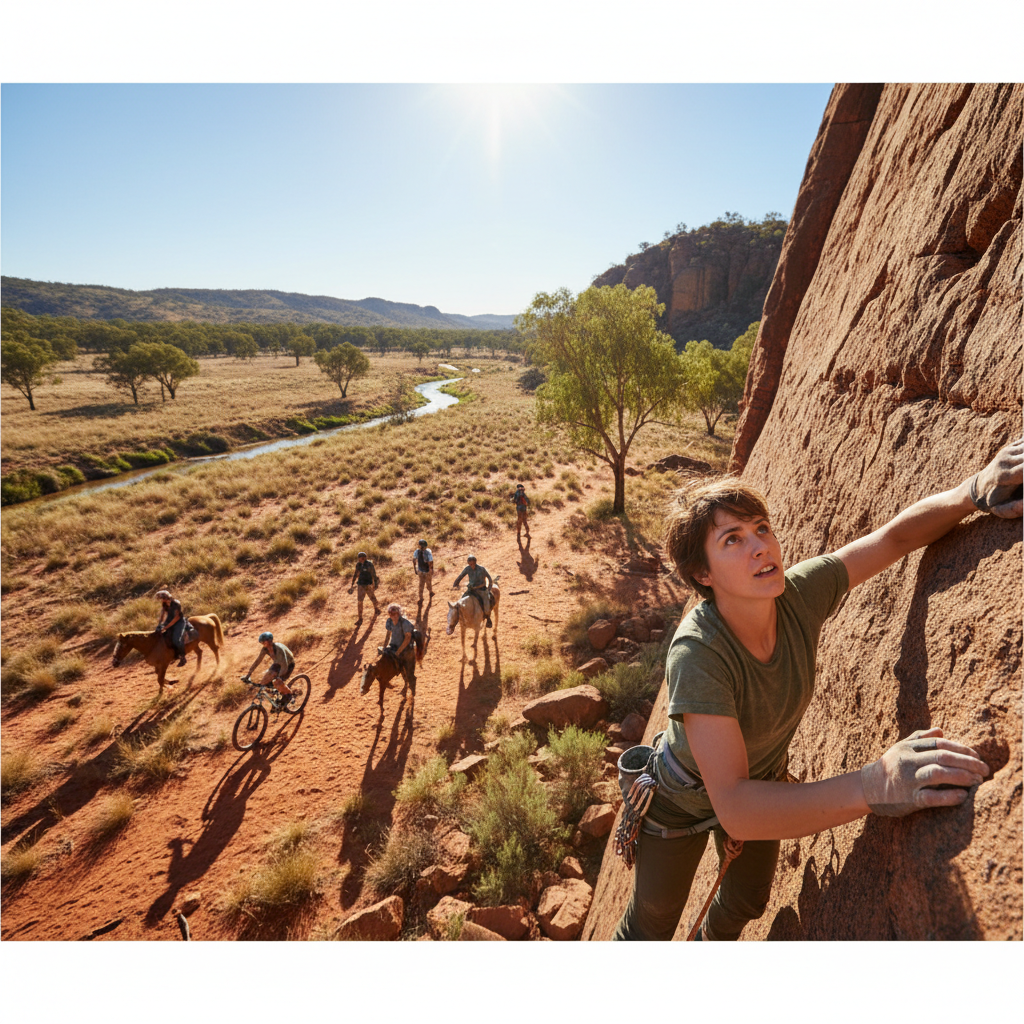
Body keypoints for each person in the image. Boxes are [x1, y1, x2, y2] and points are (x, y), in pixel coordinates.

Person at [613, 437, 1022, 941]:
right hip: (678, 803)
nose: (761, 545)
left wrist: (971, 491)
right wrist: (873, 784)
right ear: (703, 573)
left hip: (759, 778)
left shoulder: (798, 595)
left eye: (761, 528)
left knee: (747, 899)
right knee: (649, 927)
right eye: (732, 540)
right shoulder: (698, 654)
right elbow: (736, 808)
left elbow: (892, 540)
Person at [243, 631, 296, 710]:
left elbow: (284, 665)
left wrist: (279, 677)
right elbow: (257, 661)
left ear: (270, 641)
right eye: (262, 643)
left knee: (277, 682)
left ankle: (289, 696)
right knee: (264, 681)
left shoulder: (279, 649)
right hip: (278, 663)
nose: (264, 644)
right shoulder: (265, 649)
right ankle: (276, 698)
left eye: (265, 642)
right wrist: (248, 675)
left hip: (288, 664)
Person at [380, 603, 416, 689]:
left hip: (404, 647)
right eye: (391, 614)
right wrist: (385, 647)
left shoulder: (405, 623)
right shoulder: (389, 622)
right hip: (393, 645)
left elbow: (407, 638)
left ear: (399, 613)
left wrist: (399, 651)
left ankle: (407, 682)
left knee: (402, 665)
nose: (393, 616)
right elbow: (388, 634)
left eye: (395, 614)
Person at [452, 554, 494, 627]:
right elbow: (461, 576)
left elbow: (489, 578)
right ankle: (461, 617)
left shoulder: (482, 569)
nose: (472, 565)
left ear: (475, 562)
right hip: (471, 590)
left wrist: (489, 589)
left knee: (486, 605)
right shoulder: (467, 569)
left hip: (482, 590)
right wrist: (456, 583)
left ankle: (488, 619)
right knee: (462, 600)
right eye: (470, 564)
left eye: (473, 563)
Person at [155, 589, 188, 667]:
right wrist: (160, 624)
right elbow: (162, 614)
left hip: (179, 622)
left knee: (177, 639)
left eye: (162, 599)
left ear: (166, 598)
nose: (161, 600)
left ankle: (183, 657)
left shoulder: (176, 604)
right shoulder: (165, 604)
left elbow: (176, 618)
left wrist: (166, 627)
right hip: (169, 621)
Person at [349, 551, 380, 623]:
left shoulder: (369, 564)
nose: (362, 559)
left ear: (365, 557)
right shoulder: (358, 565)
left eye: (363, 557)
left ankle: (376, 609)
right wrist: (352, 583)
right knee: (360, 601)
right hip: (360, 585)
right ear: (359, 558)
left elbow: (374, 574)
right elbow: (356, 573)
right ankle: (360, 618)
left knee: (372, 598)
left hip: (368, 584)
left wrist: (375, 583)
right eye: (360, 558)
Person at [412, 538, 434, 604]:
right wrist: (431, 569)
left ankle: (421, 598)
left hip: (420, 570)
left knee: (421, 584)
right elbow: (431, 562)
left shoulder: (416, 552)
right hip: (426, 571)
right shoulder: (428, 552)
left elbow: (414, 560)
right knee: (428, 583)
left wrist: (415, 569)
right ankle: (430, 592)